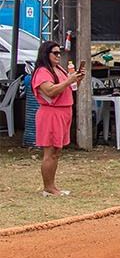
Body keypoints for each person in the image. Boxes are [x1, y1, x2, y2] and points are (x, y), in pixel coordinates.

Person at [32, 39, 85, 196]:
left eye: (59, 53)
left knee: (57, 151)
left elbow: (69, 88)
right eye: (54, 53)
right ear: (45, 54)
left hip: (64, 111)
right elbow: (50, 91)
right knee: (50, 151)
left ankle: (52, 185)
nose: (58, 56)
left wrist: (76, 80)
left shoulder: (59, 70)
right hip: (51, 113)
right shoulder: (42, 72)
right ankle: (48, 187)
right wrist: (69, 80)